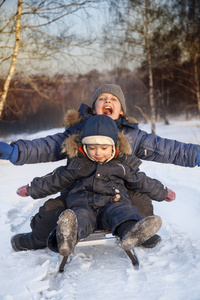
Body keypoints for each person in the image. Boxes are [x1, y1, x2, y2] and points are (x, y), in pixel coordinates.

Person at [0, 83, 200, 251]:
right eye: (102, 98)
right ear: (93, 107)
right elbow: (46, 147)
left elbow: (167, 149)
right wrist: (16, 152)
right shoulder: (77, 131)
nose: (107, 101)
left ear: (120, 110)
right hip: (79, 193)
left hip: (118, 194)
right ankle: (40, 239)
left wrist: (195, 155)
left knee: (139, 207)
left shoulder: (133, 135)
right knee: (50, 214)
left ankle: (136, 233)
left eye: (113, 99)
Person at [14, 115, 176, 256]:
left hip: (114, 203)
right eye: (92, 148)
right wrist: (31, 188)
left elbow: (142, 181)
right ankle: (66, 237)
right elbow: (54, 179)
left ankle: (132, 233)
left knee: (126, 212)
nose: (98, 152)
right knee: (77, 219)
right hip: (82, 205)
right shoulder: (77, 165)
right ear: (84, 147)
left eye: (104, 148)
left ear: (114, 147)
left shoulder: (122, 165)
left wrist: (162, 192)